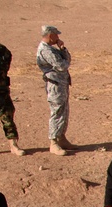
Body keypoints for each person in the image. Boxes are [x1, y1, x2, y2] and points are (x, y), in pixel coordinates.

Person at [35, 25, 74, 156]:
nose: (58, 38)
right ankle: (53, 142)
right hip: (55, 85)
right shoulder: (46, 50)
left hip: (61, 84)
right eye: (56, 35)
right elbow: (63, 65)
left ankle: (61, 138)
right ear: (51, 36)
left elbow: (67, 60)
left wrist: (63, 50)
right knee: (57, 112)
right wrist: (63, 52)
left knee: (64, 111)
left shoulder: (51, 49)